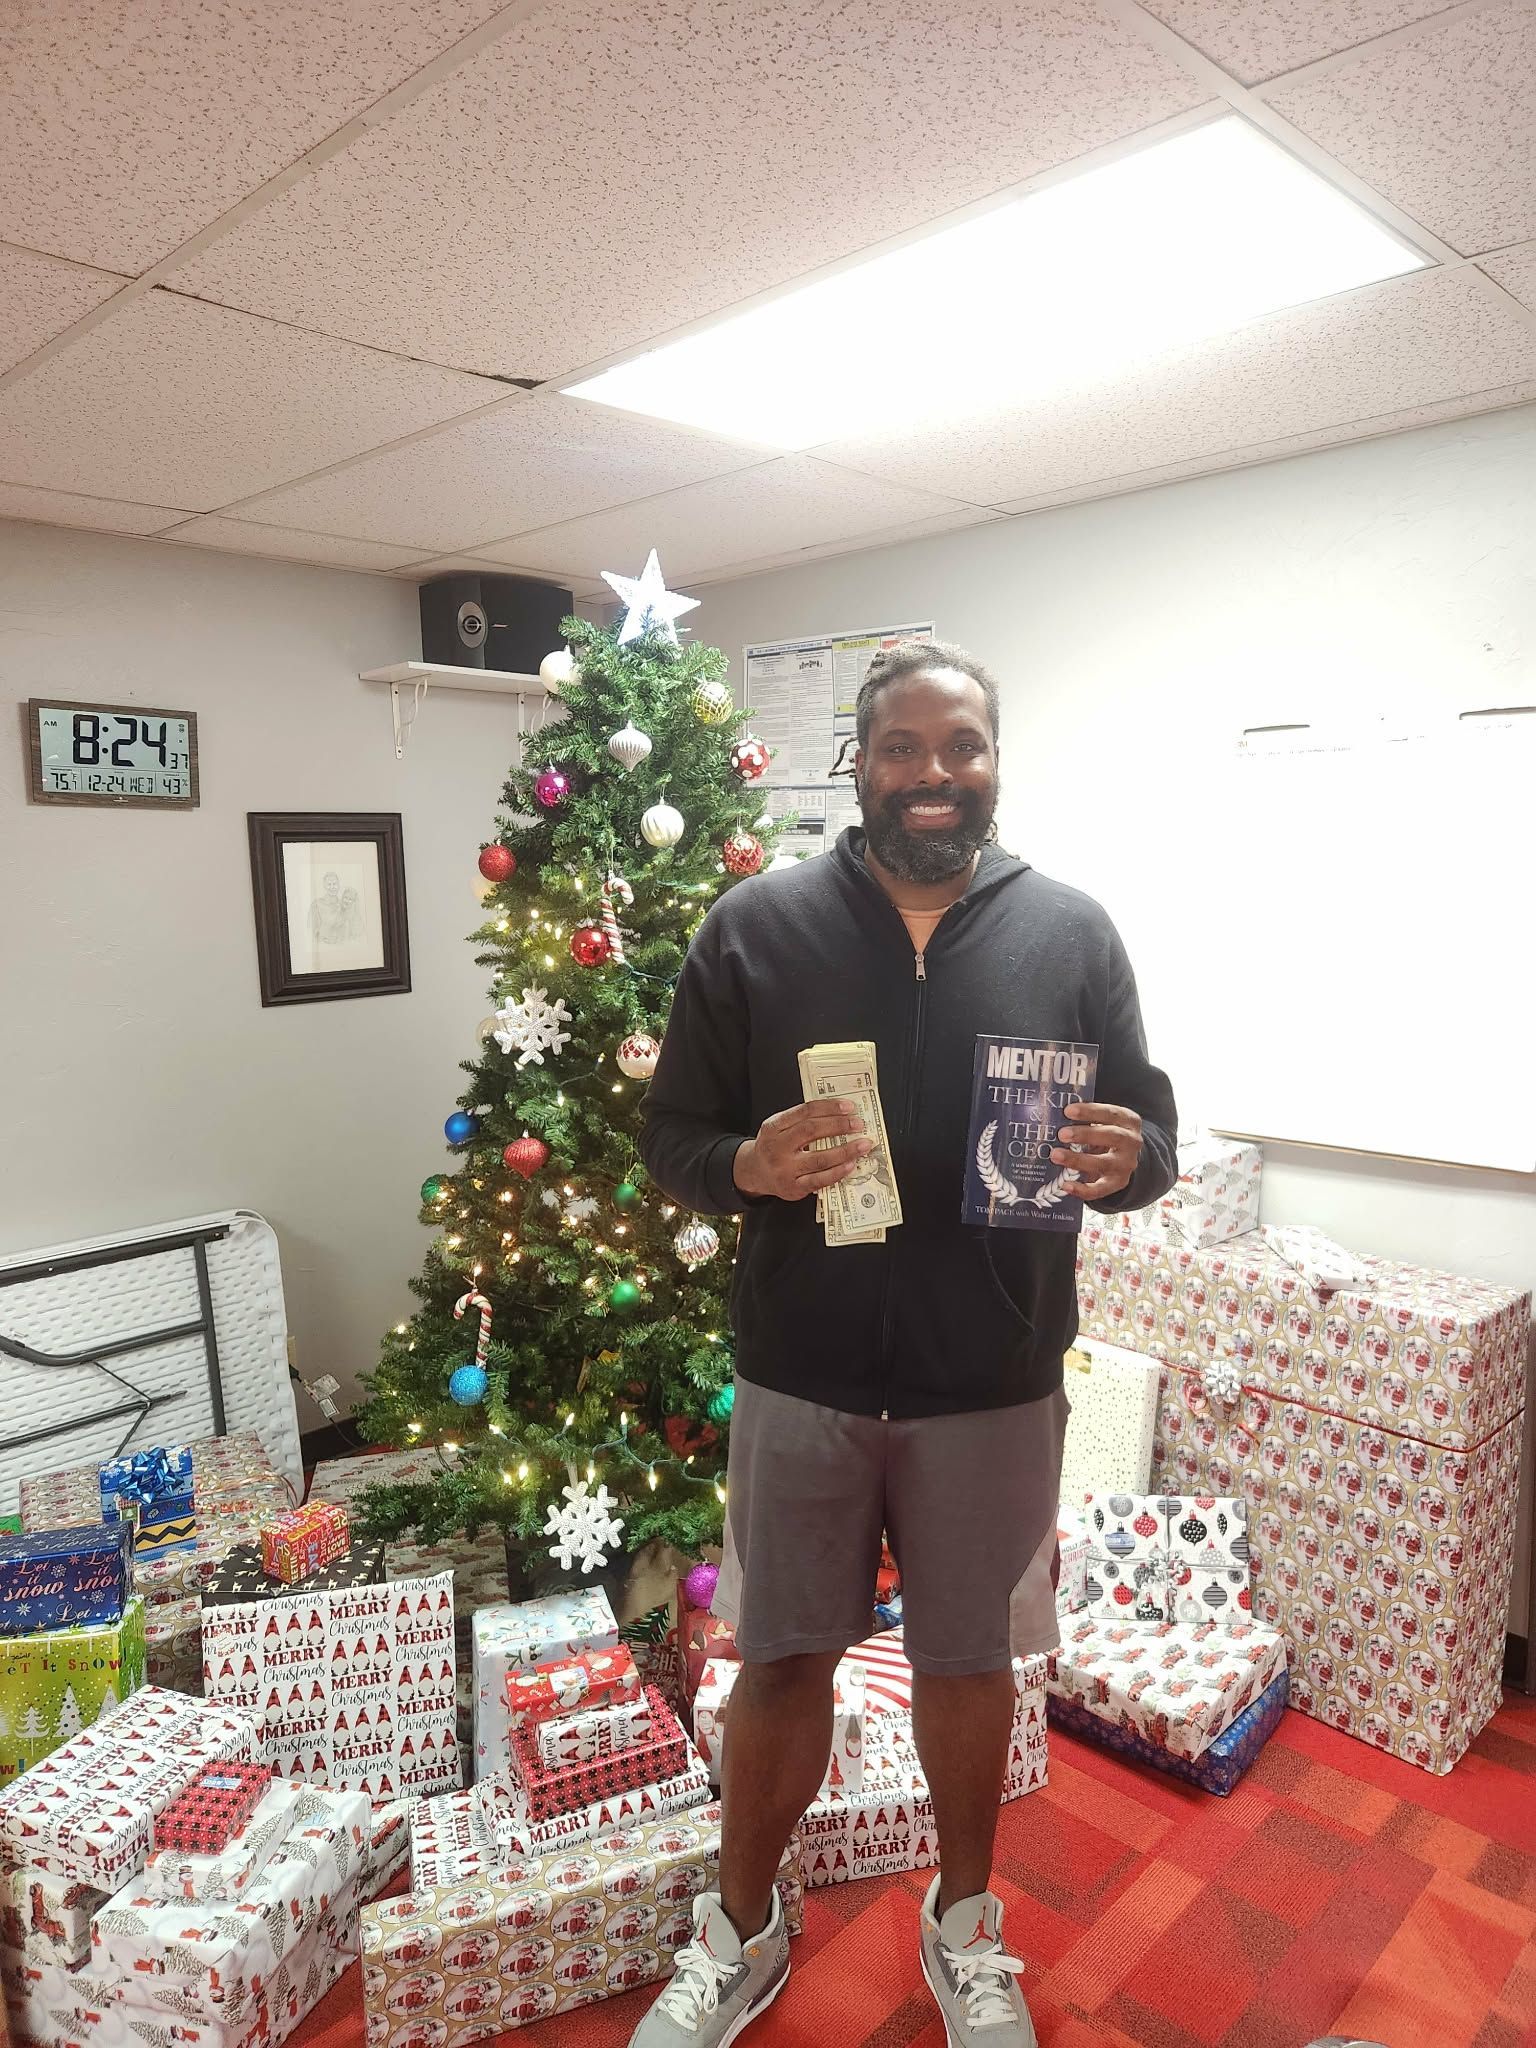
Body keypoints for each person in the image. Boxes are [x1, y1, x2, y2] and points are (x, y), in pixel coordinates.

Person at [634, 640, 1178, 2047]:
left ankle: (965, 1924)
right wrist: (747, 1164)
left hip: (992, 1380)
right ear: (860, 764)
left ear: (993, 763)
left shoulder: (1073, 933)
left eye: (962, 747)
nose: (935, 774)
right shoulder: (755, 928)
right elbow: (671, 1135)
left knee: (969, 1665)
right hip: (803, 1373)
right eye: (903, 748)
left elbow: (1150, 1131)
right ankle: (742, 1929)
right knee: (782, 1658)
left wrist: (1135, 1159)